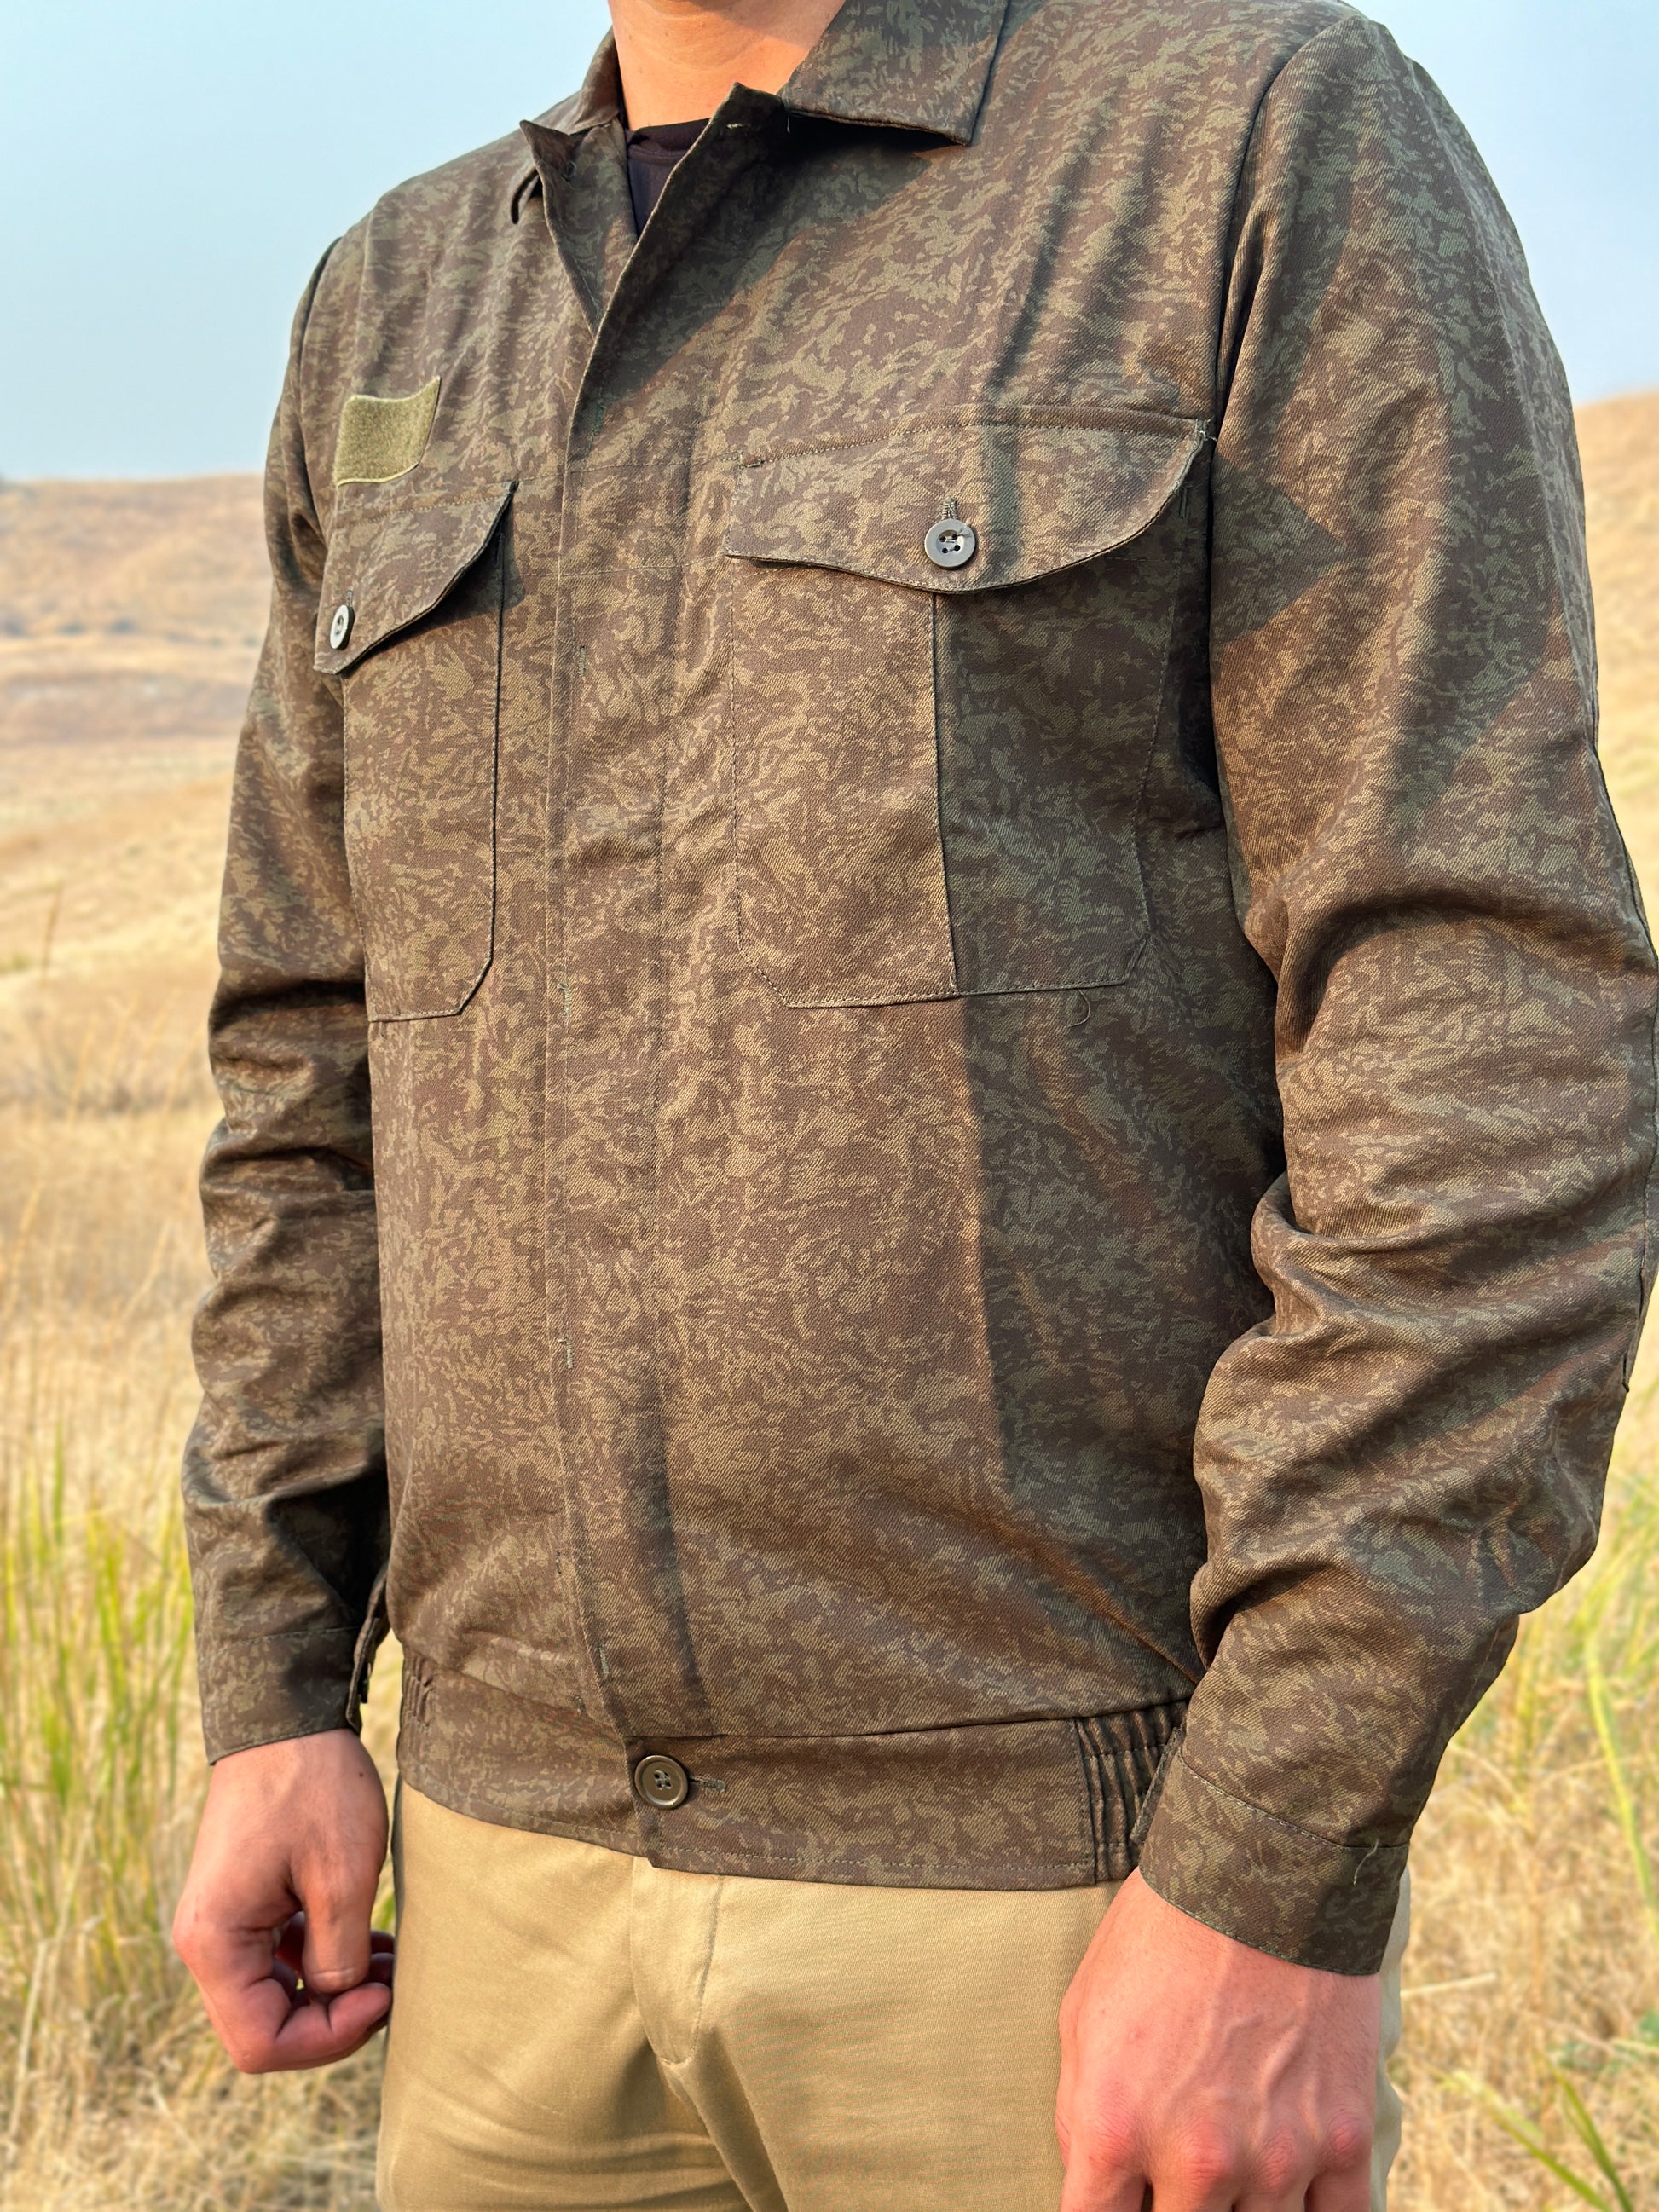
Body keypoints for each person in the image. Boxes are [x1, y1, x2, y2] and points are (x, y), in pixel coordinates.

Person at [171, 0, 1657, 2205]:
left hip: (1064, 1926)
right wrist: (276, 1670)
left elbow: (1483, 1028)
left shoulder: (1238, 146)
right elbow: (312, 1063)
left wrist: (1268, 1859)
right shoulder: (398, 300)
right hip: (499, 1913)